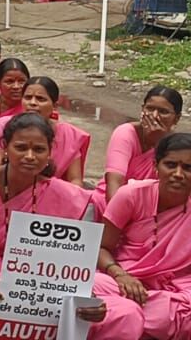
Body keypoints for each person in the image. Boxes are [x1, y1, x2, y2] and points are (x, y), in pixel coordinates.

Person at [0, 113, 132, 340]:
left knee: (127, 313)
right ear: (5, 147)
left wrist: (85, 297)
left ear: (49, 152)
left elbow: (70, 259)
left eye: (38, 150)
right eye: (20, 148)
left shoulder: (64, 194)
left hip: (42, 284)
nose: (29, 156)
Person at [94, 132, 191, 340]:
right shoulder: (131, 195)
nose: (178, 174)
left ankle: (130, 316)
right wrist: (121, 275)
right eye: (171, 165)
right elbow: (101, 248)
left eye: (188, 168)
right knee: (91, 284)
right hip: (123, 279)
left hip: (176, 290)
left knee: (174, 311)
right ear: (156, 166)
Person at [93, 86, 183, 214]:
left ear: (176, 118)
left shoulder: (178, 145)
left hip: (154, 211)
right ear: (142, 109)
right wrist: (117, 217)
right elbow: (114, 183)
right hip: (111, 205)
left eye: (163, 112)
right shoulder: (125, 133)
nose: (155, 116)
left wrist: (158, 143)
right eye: (150, 109)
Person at [0, 76, 88, 186]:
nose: (33, 103)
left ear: (55, 106)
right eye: (28, 97)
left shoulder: (69, 134)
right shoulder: (4, 125)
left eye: (41, 99)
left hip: (52, 194)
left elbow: (75, 180)